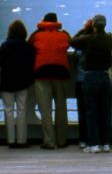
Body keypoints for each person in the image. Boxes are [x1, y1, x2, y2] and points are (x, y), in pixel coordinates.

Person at [70, 15, 112, 153]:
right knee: (105, 111)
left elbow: (73, 41)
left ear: (94, 26)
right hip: (104, 76)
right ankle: (106, 142)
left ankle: (94, 144)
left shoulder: (88, 39)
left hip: (90, 77)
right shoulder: (110, 39)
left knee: (91, 112)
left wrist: (85, 29)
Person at [28, 12, 71, 149]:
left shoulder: (36, 35)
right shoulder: (64, 34)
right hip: (61, 73)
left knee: (45, 109)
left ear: (44, 21)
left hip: (42, 73)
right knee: (61, 108)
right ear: (56, 21)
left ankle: (49, 141)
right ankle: (62, 140)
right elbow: (72, 43)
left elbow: (29, 47)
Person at [0, 20, 36, 148]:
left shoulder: (4, 45)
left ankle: (10, 140)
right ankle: (22, 140)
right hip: (23, 82)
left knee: (8, 110)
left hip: (6, 82)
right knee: (22, 110)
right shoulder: (28, 47)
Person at [72, 19, 94, 149]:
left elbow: (73, 41)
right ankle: (95, 138)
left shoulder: (79, 46)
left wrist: (82, 31)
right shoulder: (98, 43)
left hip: (81, 81)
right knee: (95, 111)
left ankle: (83, 139)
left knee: (82, 112)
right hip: (94, 79)